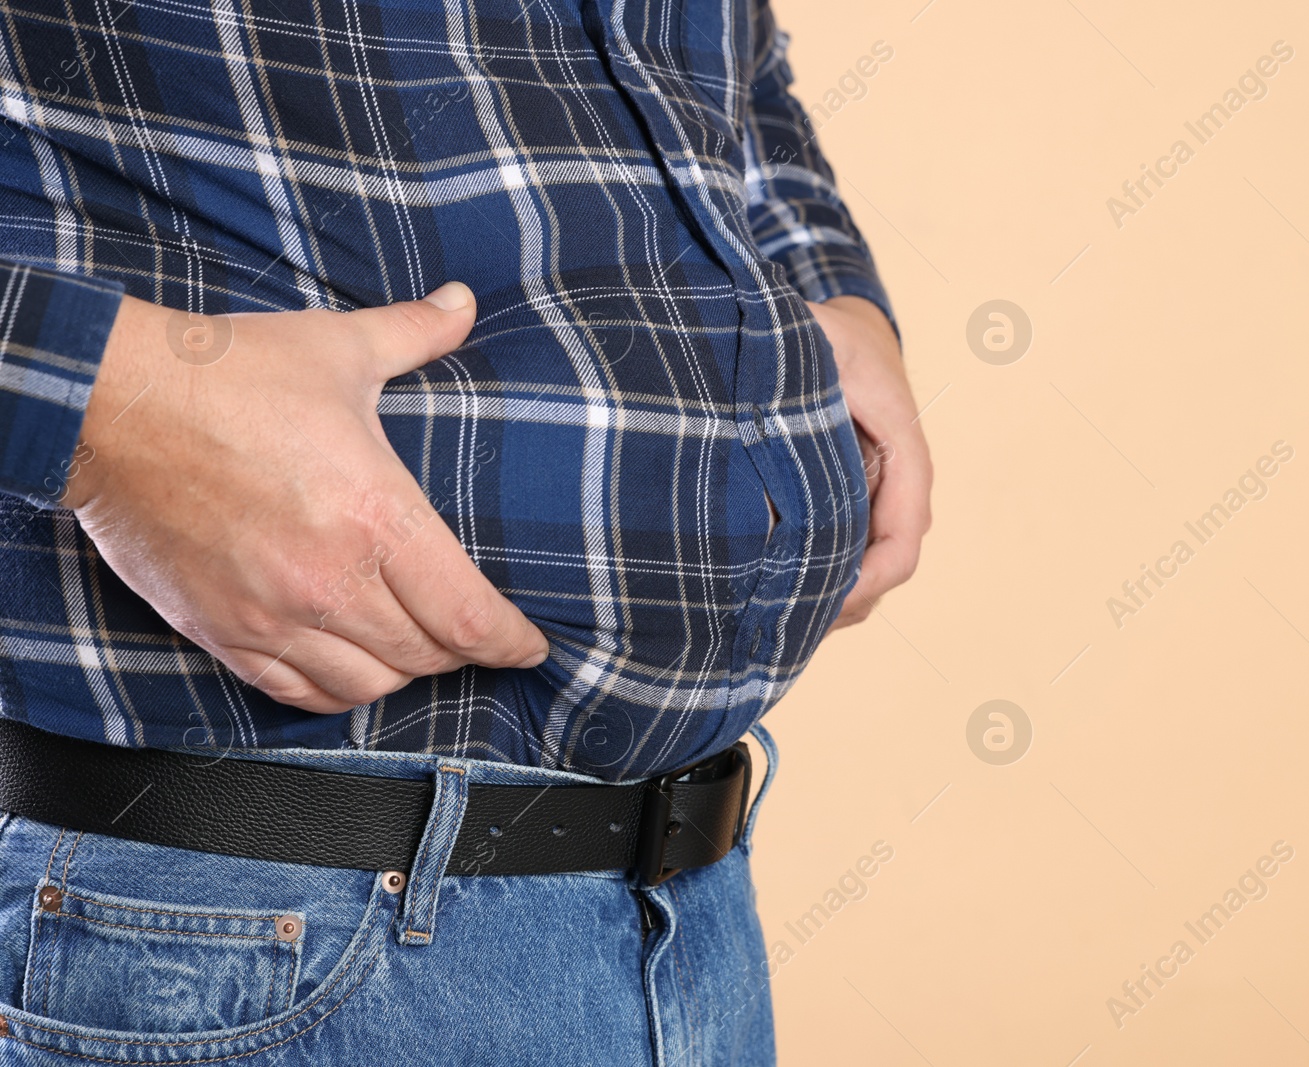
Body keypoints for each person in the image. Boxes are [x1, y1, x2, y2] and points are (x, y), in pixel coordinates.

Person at [0, 0, 930, 1062]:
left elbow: (732, 68)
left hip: (685, 917)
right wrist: (93, 401)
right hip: (221, 912)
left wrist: (830, 289)